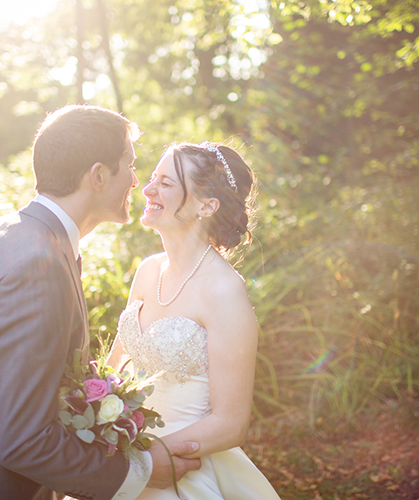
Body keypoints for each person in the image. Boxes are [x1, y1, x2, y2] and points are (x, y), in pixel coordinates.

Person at [0, 105, 201, 500]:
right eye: (129, 165)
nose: (136, 182)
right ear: (97, 176)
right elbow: (23, 440)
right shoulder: (37, 266)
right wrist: (139, 471)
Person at [106, 142, 280, 499]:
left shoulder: (225, 291)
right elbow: (113, 372)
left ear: (207, 205)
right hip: (119, 459)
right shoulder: (146, 270)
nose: (148, 189)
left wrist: (151, 460)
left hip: (180, 467)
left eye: (166, 183)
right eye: (152, 178)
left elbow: (231, 423)